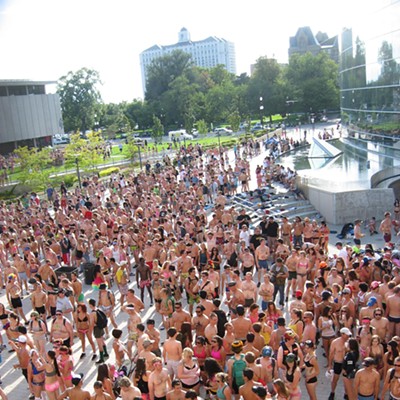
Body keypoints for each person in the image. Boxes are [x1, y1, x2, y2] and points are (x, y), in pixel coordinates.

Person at [328, 327, 352, 400]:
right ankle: (332, 392)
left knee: (346, 379)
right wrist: (330, 365)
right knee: (335, 379)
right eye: (346, 335)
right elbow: (331, 354)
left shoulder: (349, 342)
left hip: (346, 363)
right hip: (338, 362)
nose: (348, 336)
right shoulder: (335, 342)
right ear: (342, 334)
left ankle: (346, 393)